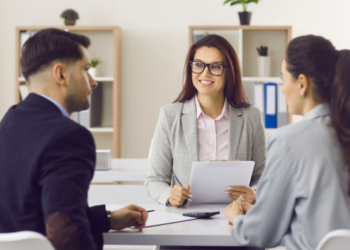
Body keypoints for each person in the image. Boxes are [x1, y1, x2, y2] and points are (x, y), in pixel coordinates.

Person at [0, 28, 148, 250]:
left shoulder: (9, 121)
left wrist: (106, 218)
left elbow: (28, 214)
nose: (93, 82)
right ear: (61, 74)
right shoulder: (69, 137)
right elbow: (65, 235)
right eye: (86, 69)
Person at [224, 35, 350, 250]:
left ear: (302, 83)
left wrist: (237, 217)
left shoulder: (287, 141)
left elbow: (259, 235)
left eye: (283, 79)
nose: (282, 89)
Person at [146, 35, 266, 207]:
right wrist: (169, 195)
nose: (205, 73)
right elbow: (154, 180)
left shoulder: (251, 117)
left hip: (237, 216)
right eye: (198, 64)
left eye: (215, 66)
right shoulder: (170, 115)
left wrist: (254, 193)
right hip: (187, 218)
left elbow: (263, 177)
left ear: (229, 72)